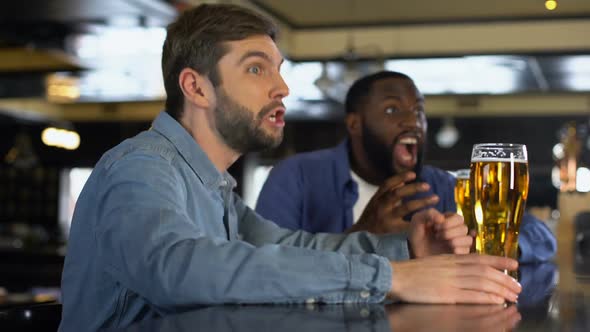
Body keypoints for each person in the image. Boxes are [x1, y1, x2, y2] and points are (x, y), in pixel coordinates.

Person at [58, 5, 521, 331]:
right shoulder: (142, 166)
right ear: (196, 88)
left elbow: (290, 245)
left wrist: (405, 249)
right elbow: (179, 268)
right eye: (258, 69)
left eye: (280, 70)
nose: (282, 86)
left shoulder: (214, 189)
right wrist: (392, 277)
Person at [256, 71, 556, 263]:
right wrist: (362, 235)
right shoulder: (296, 176)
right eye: (392, 109)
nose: (412, 120)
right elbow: (263, 264)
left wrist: (484, 245)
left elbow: (540, 236)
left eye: (419, 110)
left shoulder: (439, 186)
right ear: (354, 124)